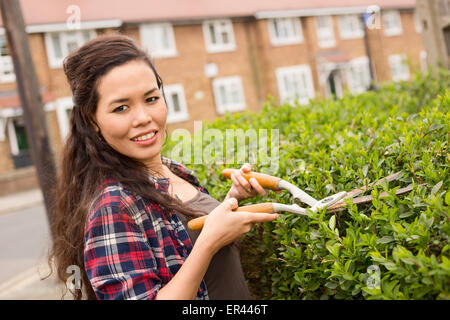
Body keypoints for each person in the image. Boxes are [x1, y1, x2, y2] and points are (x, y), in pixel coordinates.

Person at [48, 34, 279, 300]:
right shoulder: (113, 205)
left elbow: (192, 245)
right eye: (121, 108)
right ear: (92, 120)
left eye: (151, 99)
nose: (144, 118)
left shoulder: (175, 171)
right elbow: (202, 247)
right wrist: (208, 243)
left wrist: (230, 202)